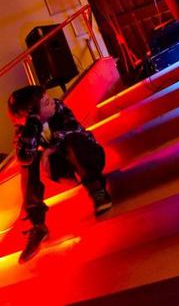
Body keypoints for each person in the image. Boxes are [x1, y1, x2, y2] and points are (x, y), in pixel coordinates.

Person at [8, 85, 112, 264]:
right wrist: (34, 124)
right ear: (32, 114)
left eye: (48, 99)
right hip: (63, 171)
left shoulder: (58, 108)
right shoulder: (26, 129)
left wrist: (49, 150)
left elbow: (75, 130)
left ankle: (97, 190)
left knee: (71, 140)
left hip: (89, 159)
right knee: (27, 162)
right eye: (45, 102)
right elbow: (24, 157)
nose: (51, 102)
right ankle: (38, 225)